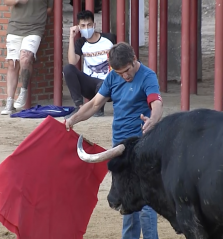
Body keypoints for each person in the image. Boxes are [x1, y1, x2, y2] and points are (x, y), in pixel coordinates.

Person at [65, 42, 162, 239]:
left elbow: (156, 103)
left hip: (142, 146)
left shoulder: (148, 75)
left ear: (134, 60)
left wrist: (152, 120)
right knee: (126, 198)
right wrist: (72, 119)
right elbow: (94, 104)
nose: (124, 76)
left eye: (126, 71)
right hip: (119, 149)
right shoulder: (113, 77)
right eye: (119, 73)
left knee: (145, 201)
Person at [1, 0, 53, 115]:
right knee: (12, 63)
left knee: (25, 58)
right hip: (15, 27)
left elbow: (49, 9)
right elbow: (7, 2)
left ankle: (23, 91)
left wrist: (37, 16)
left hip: (35, 28)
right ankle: (9, 102)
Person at [64, 10, 116, 119]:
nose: (86, 28)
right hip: (90, 83)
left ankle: (98, 109)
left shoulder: (109, 38)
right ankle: (80, 106)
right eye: (83, 25)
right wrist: (71, 37)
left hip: (108, 83)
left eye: (89, 25)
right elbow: (72, 62)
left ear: (94, 25)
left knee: (102, 84)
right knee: (68, 69)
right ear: (79, 27)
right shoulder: (81, 42)